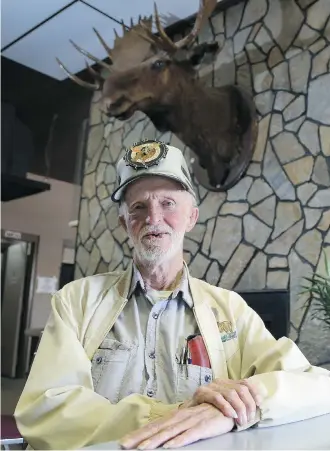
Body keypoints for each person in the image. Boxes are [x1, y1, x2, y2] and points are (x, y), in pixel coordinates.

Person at [15, 140, 330, 450]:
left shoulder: (230, 310)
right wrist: (172, 417)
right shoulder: (76, 301)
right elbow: (46, 407)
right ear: (124, 223)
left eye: (168, 204)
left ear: (191, 217)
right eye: (139, 207)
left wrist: (240, 404)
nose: (153, 218)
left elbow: (317, 386)